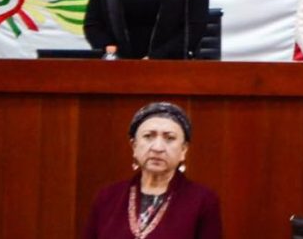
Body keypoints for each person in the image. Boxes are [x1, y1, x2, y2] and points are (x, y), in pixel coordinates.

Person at [82, 102, 222, 239]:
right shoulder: (107, 198)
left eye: (169, 138)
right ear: (134, 146)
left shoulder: (202, 201)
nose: (158, 147)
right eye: (148, 136)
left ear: (183, 150)